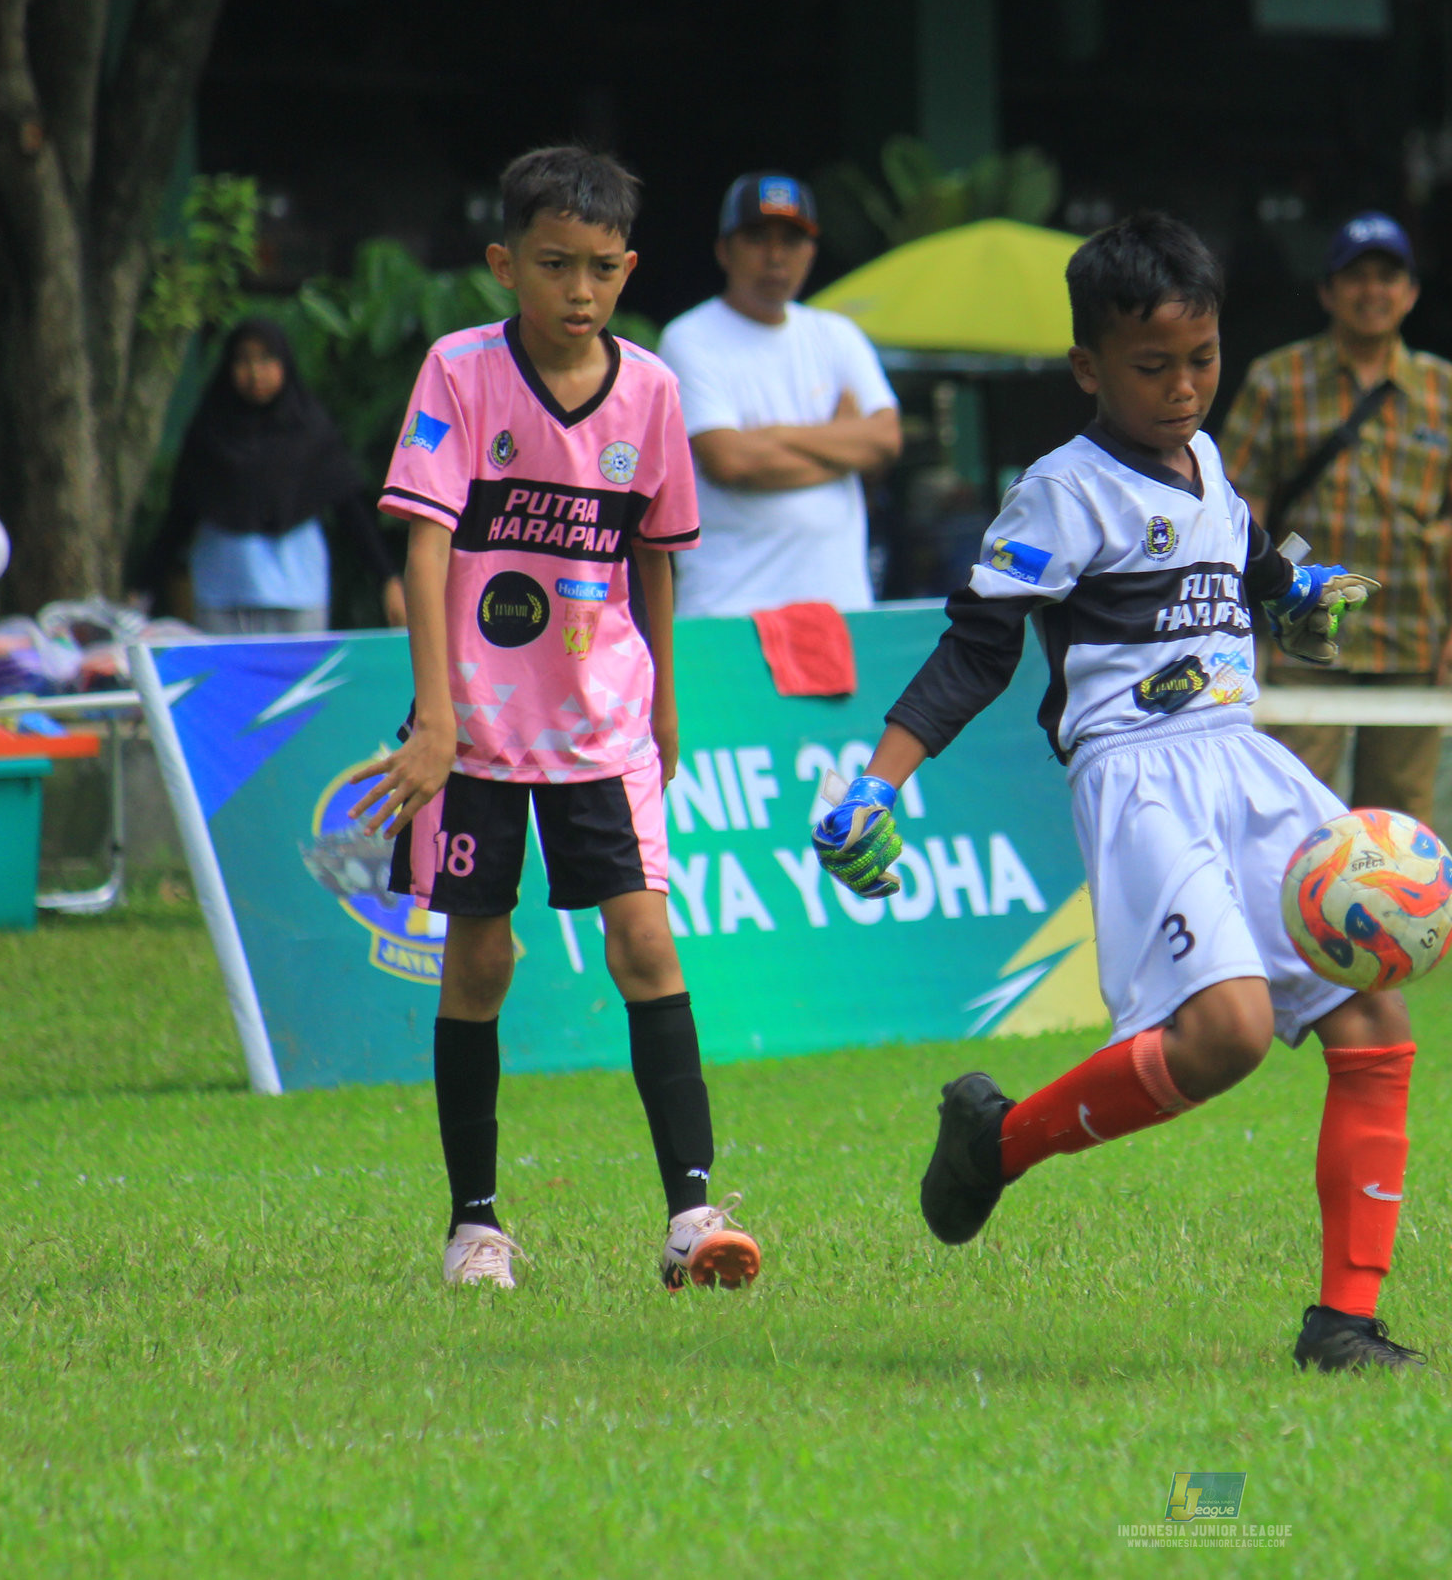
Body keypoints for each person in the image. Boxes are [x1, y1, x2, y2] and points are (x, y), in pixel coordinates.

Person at [811, 213, 1426, 1373]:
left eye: (1203, 360)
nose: (1184, 387)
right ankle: (1000, 1143)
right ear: (1088, 367)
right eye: (1153, 367)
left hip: (1246, 762)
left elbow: (1249, 565)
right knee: (1228, 1034)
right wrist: (876, 783)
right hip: (1138, 777)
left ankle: (1343, 1321)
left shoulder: (1210, 469)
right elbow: (978, 649)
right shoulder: (1061, 490)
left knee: (1373, 1012)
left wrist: (1299, 597)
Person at [347, 146, 759, 1295]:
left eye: (600, 268)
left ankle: (693, 1216)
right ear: (504, 265)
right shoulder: (460, 372)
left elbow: (654, 558)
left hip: (603, 728)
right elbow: (427, 546)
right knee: (479, 962)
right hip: (473, 729)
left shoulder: (654, 392)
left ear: (627, 270)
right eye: (553, 265)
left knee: (648, 945)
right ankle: (474, 1226)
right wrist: (433, 718)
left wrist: (665, 698)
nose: (579, 290)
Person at [1219, 211, 1452, 823]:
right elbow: (1240, 511)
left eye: (1387, 276)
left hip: (1411, 638)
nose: (1371, 291)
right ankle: (1277, 923)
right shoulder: (1277, 379)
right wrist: (1237, 623)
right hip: (1303, 634)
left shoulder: (1445, 388)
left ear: (1410, 293)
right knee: (1290, 809)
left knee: (1400, 821)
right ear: (1326, 291)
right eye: (1355, 277)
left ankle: (1393, 923)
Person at [657, 173, 902, 615]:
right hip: (731, 609)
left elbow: (885, 441)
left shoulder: (837, 334)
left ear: (811, 250)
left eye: (791, 240)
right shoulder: (689, 338)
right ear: (723, 250)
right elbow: (731, 461)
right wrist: (841, 446)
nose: (775, 256)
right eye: (756, 238)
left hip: (841, 608)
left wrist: (773, 435)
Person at [138, 317, 406, 633]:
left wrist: (388, 578)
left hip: (297, 595)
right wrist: (142, 589)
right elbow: (181, 515)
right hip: (224, 595)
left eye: (266, 359)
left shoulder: (310, 430)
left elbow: (351, 510)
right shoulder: (209, 433)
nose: (255, 373)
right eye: (243, 360)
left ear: (285, 364)